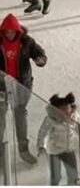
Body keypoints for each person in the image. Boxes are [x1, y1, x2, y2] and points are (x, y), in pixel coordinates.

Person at [0, 13, 47, 165]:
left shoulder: (26, 41)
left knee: (20, 116)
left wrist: (40, 59)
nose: (10, 34)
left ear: (18, 31)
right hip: (1, 87)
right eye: (7, 31)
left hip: (21, 86)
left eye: (12, 31)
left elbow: (38, 53)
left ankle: (23, 149)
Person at [36, 93, 80, 186]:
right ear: (56, 111)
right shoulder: (50, 119)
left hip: (69, 150)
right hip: (54, 151)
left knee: (73, 175)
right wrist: (42, 146)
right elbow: (43, 133)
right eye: (63, 113)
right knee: (56, 176)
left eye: (68, 112)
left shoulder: (74, 117)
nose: (66, 116)